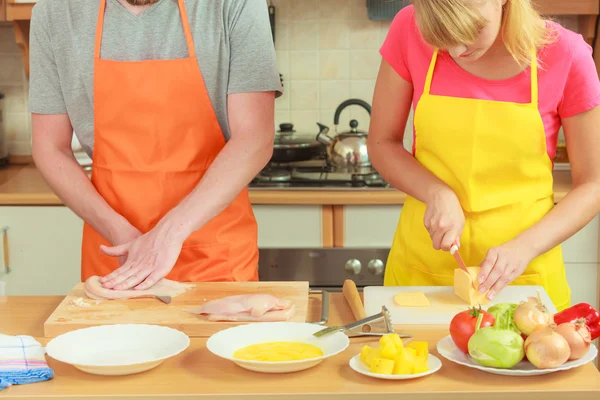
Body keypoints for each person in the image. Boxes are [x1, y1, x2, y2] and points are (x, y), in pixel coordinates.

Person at [28, 0, 281, 290]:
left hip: (215, 255)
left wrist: (168, 234)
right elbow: (50, 147)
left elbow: (255, 137)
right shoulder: (55, 12)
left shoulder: (233, 4)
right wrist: (121, 235)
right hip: (117, 255)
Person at [367, 0, 600, 311]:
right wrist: (436, 192)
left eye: (471, 30)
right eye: (442, 35)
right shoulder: (409, 27)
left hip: (523, 283)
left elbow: (593, 184)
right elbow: (382, 143)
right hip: (422, 276)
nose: (458, 49)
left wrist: (524, 248)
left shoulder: (566, 55)